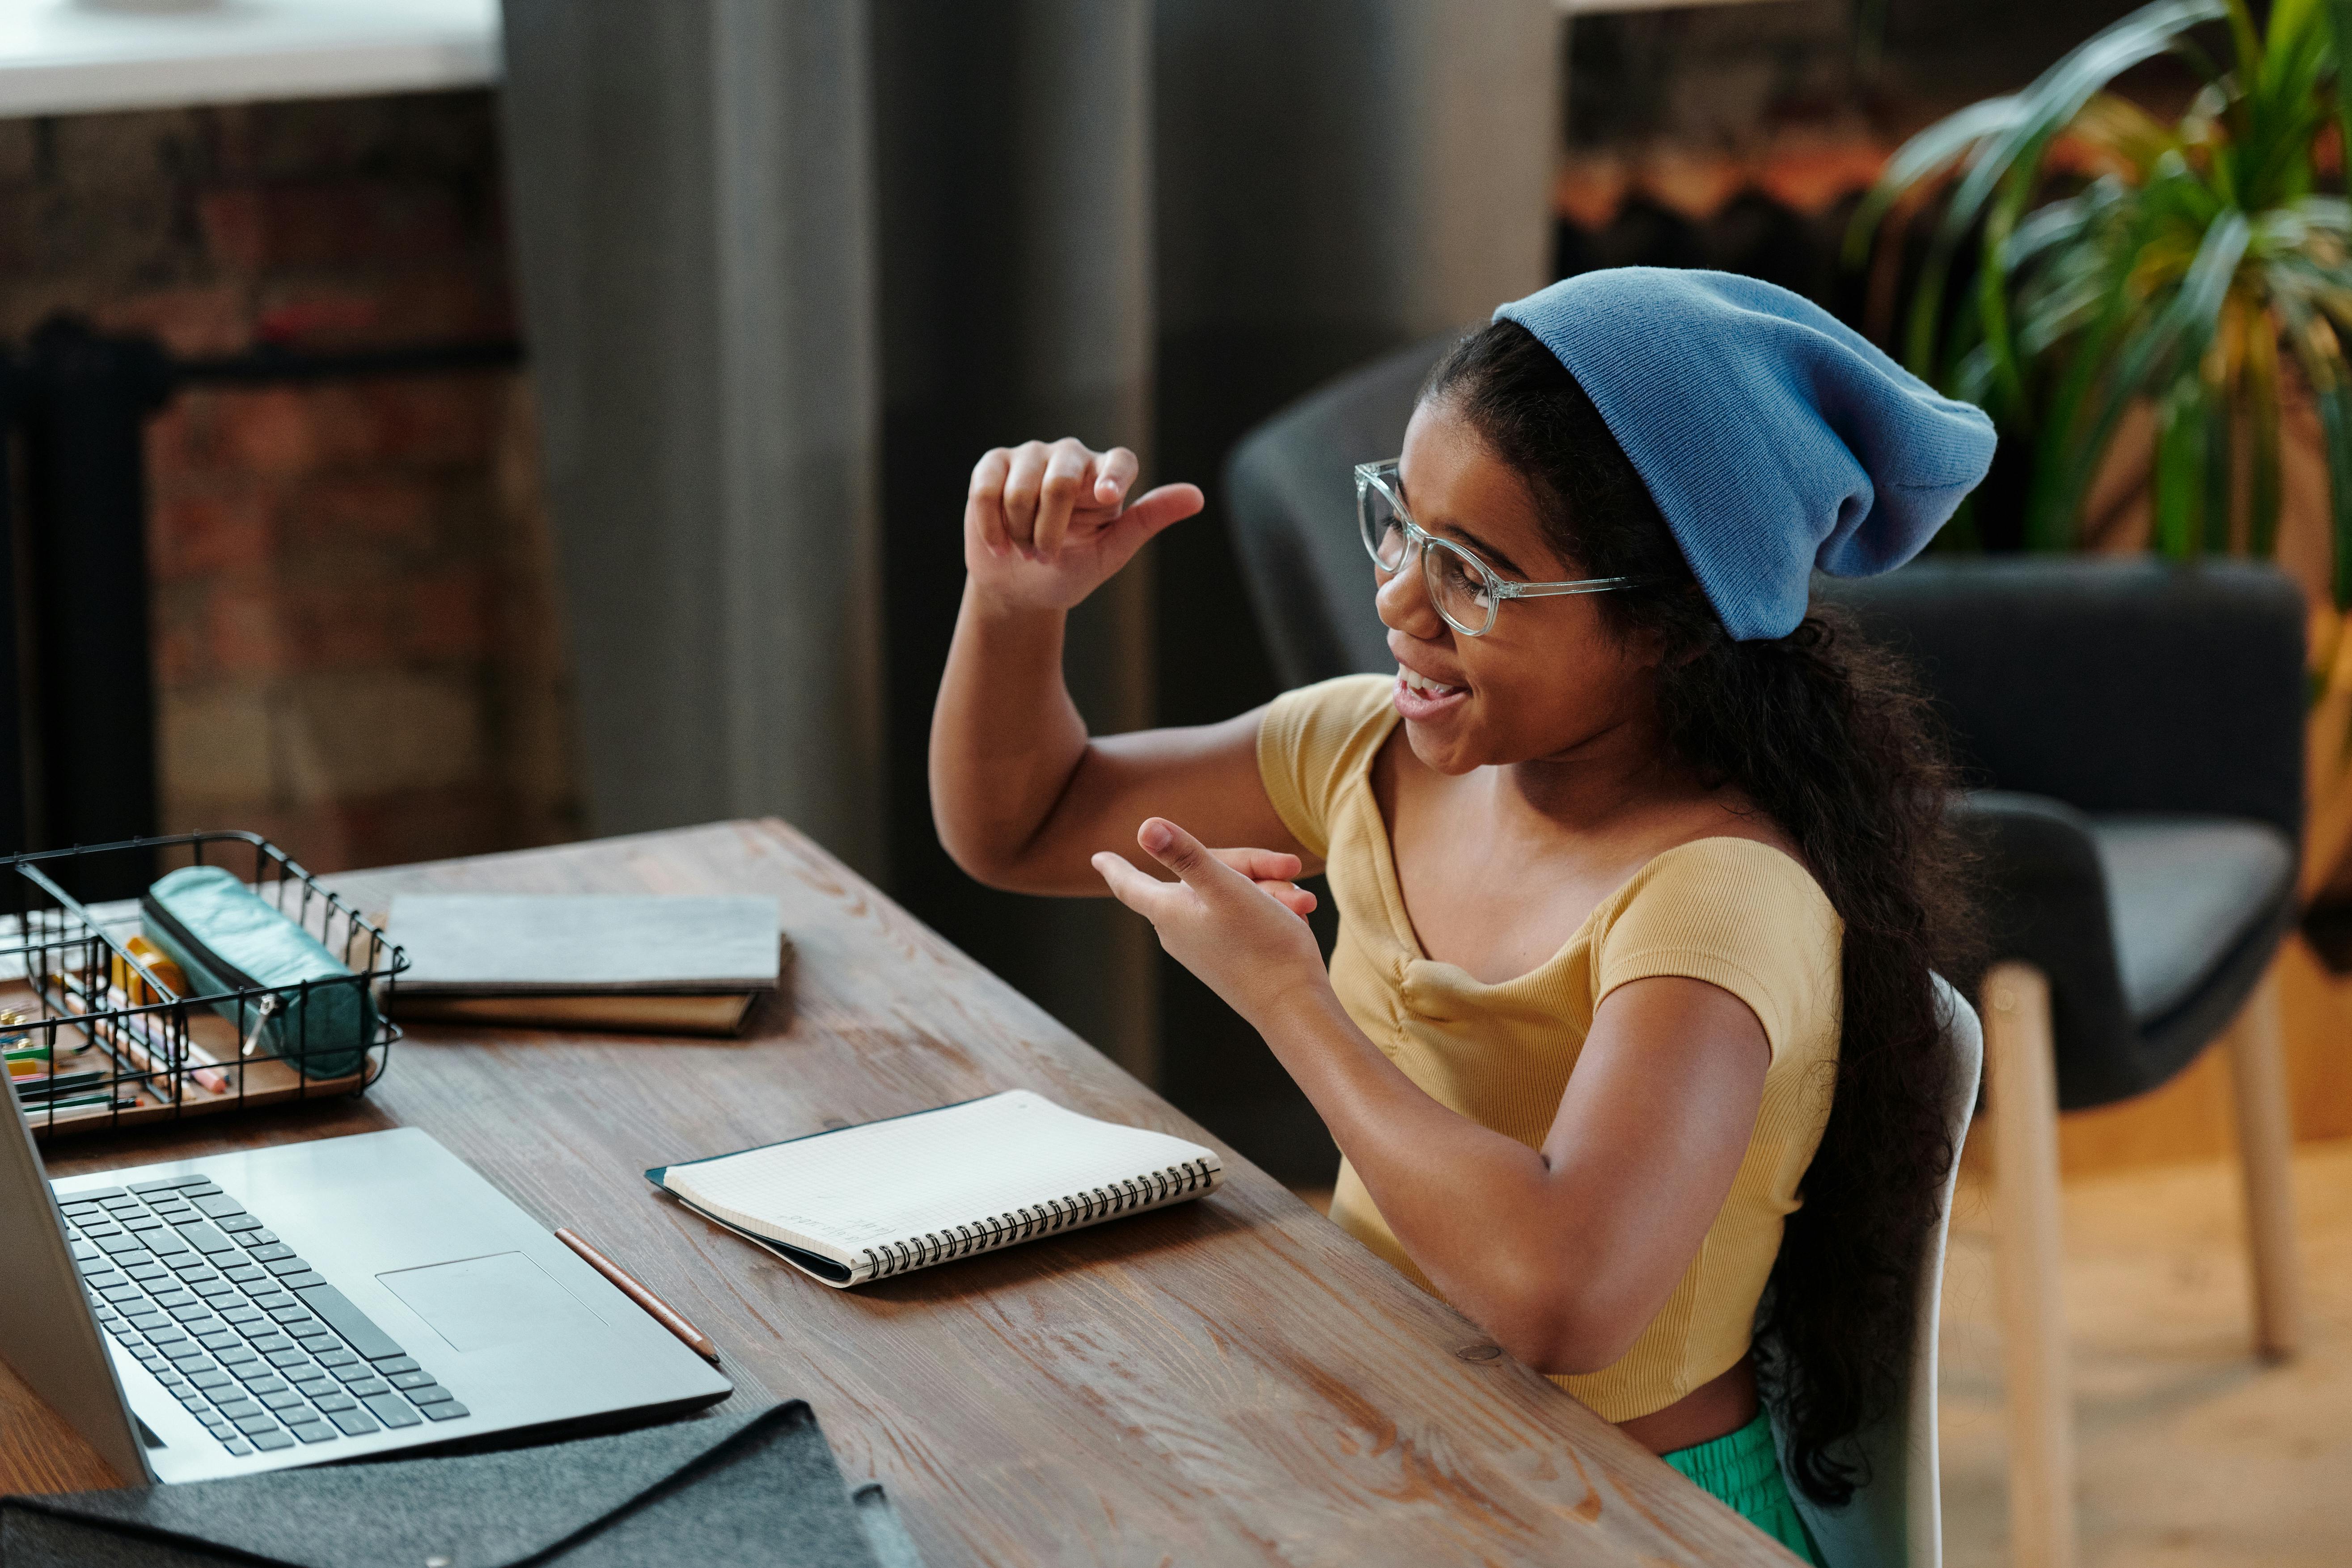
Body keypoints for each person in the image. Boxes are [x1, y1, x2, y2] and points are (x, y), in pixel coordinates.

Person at [928, 269, 1995, 1558]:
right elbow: (1023, 823)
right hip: (1395, 1441)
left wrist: (1285, 997)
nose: (1397, 599)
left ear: (1666, 625)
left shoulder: (1716, 896)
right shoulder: (1366, 754)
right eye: (1399, 523)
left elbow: (1565, 1296)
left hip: (1623, 1515)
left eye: (1475, 575)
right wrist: (1012, 609)